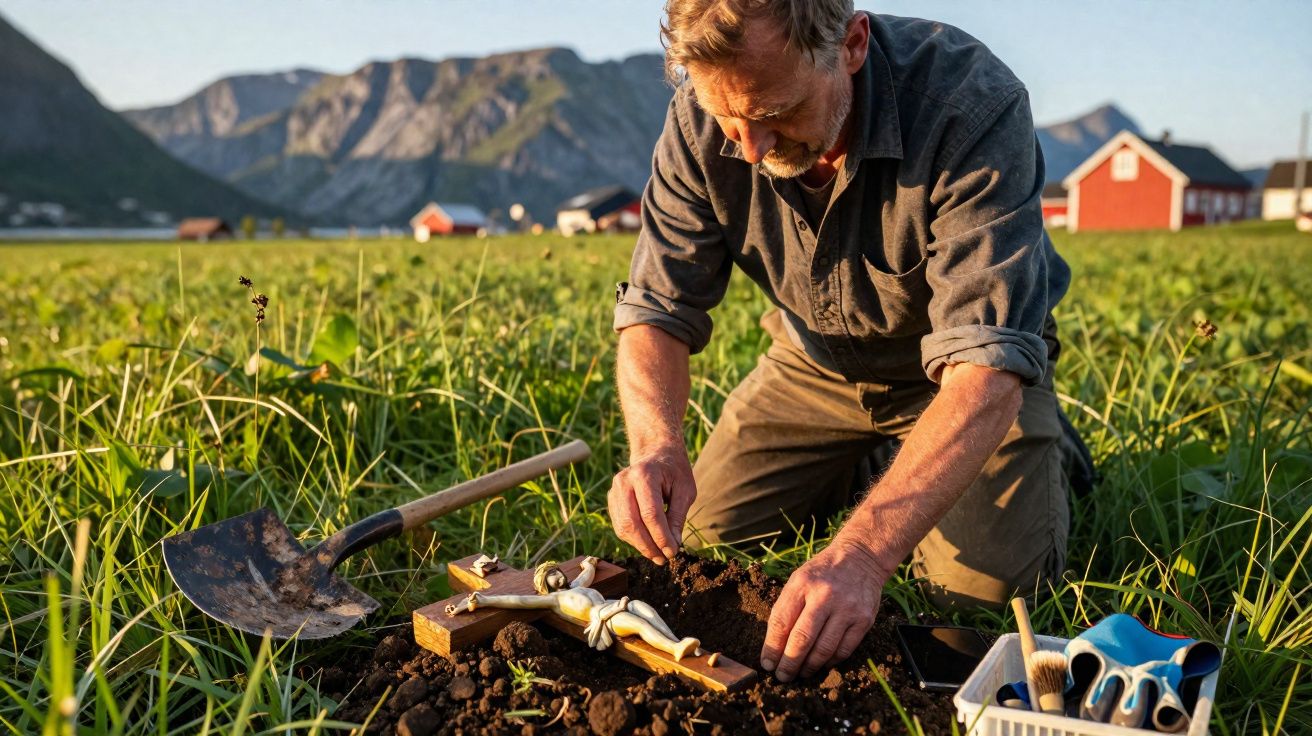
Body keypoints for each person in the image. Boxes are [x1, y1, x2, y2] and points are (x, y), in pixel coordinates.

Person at [608, 1, 1090, 683]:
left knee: (969, 607)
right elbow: (656, 309)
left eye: (778, 112)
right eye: (728, 118)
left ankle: (1044, 450)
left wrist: (862, 554)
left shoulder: (971, 106)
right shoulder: (702, 118)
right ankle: (871, 468)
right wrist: (656, 445)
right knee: (699, 542)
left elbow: (984, 367)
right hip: (816, 366)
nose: (750, 148)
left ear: (852, 44)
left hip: (962, 384)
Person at [444, 557, 702, 661]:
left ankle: (676, 641)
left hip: (610, 606)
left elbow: (587, 573)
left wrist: (589, 563)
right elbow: (518, 601)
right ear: (545, 585)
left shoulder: (575, 586)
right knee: (639, 624)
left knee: (643, 608)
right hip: (602, 619)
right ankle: (675, 650)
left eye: (557, 571)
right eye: (552, 576)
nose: (558, 576)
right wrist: (485, 600)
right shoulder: (553, 601)